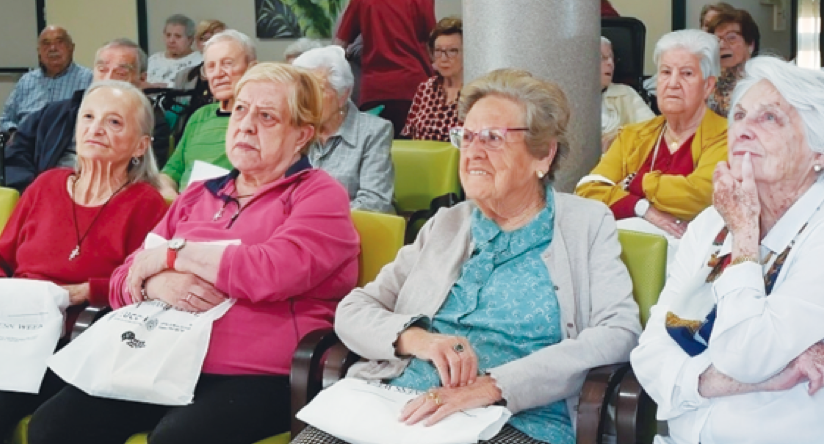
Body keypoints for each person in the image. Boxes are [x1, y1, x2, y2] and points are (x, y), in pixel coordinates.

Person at [291, 68, 641, 444]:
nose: (473, 151)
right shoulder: (447, 224)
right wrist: (418, 340)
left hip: (513, 418)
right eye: (467, 136)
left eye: (493, 138)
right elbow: (355, 308)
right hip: (395, 407)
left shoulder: (585, 224)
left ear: (544, 154)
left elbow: (619, 332)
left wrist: (493, 386)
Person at [26, 62, 360, 444]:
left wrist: (172, 256)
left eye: (266, 116)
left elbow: (271, 270)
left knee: (176, 440)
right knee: (54, 426)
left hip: (252, 374)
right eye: (240, 109)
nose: (246, 125)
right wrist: (159, 286)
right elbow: (123, 279)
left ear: (301, 135)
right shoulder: (198, 195)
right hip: (159, 356)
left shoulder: (318, 194)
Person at [631, 56, 824, 444]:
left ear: (819, 153)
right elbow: (650, 353)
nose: (743, 130)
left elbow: (748, 354)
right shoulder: (711, 223)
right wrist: (729, 383)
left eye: (769, 118)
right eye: (738, 115)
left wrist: (744, 236)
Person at [0, 80, 168, 439]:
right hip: (12, 330)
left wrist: (81, 292)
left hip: (77, 340)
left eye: (114, 122)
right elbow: (4, 257)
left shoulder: (145, 204)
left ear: (141, 145)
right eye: (88, 117)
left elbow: (145, 286)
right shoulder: (45, 185)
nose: (96, 128)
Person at [576, 30, 727, 256]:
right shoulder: (633, 135)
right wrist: (643, 208)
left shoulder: (727, 135)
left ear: (708, 86)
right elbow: (588, 191)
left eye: (686, 73)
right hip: (623, 254)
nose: (673, 83)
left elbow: (701, 195)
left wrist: (637, 183)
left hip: (694, 258)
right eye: (665, 72)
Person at [4, 39, 172, 192]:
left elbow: (141, 175)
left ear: (142, 79)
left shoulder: (149, 121)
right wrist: (32, 189)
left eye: (120, 73)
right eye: (102, 70)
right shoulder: (56, 112)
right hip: (42, 194)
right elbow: (16, 152)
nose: (108, 79)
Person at [293, 46, 394, 213]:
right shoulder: (296, 130)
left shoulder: (374, 132)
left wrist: (318, 218)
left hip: (353, 229)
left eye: (317, 90)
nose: (307, 100)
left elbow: (375, 202)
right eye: (303, 91)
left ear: (343, 95)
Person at [159, 30, 257, 200]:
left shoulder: (260, 120)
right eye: (210, 66)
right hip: (182, 208)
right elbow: (169, 173)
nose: (218, 74)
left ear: (251, 68)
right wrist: (172, 198)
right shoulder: (200, 116)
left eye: (227, 63)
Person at [335, 0, 436, 137]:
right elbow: (434, 40)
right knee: (414, 152)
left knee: (373, 151)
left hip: (376, 89)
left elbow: (338, 46)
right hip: (414, 87)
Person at [0, 26, 92, 134]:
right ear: (39, 51)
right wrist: (14, 132)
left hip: (67, 146)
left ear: (71, 47)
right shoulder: (26, 81)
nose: (52, 48)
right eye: (46, 43)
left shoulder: (88, 80)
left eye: (59, 42)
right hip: (26, 146)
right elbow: (5, 120)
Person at [401, 17, 464, 142]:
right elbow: (409, 134)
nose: (444, 58)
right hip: (421, 158)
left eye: (452, 51)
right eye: (438, 51)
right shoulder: (425, 88)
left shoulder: (475, 91)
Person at [600, 36, 655, 153]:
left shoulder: (625, 93)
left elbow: (653, 131)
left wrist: (622, 137)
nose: (610, 64)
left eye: (612, 58)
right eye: (602, 58)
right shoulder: (565, 97)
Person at [707, 9, 760, 117]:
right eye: (717, 40)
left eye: (731, 38)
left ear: (750, 45)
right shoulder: (708, 83)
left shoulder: (762, 83)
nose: (721, 45)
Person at [173, 19, 227, 99]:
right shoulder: (183, 76)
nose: (210, 43)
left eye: (216, 39)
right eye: (204, 39)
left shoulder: (230, 74)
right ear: (197, 43)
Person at [146, 14, 203, 88]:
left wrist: (162, 86)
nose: (171, 41)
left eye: (177, 36)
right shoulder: (153, 60)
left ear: (190, 39)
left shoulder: (199, 61)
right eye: (168, 35)